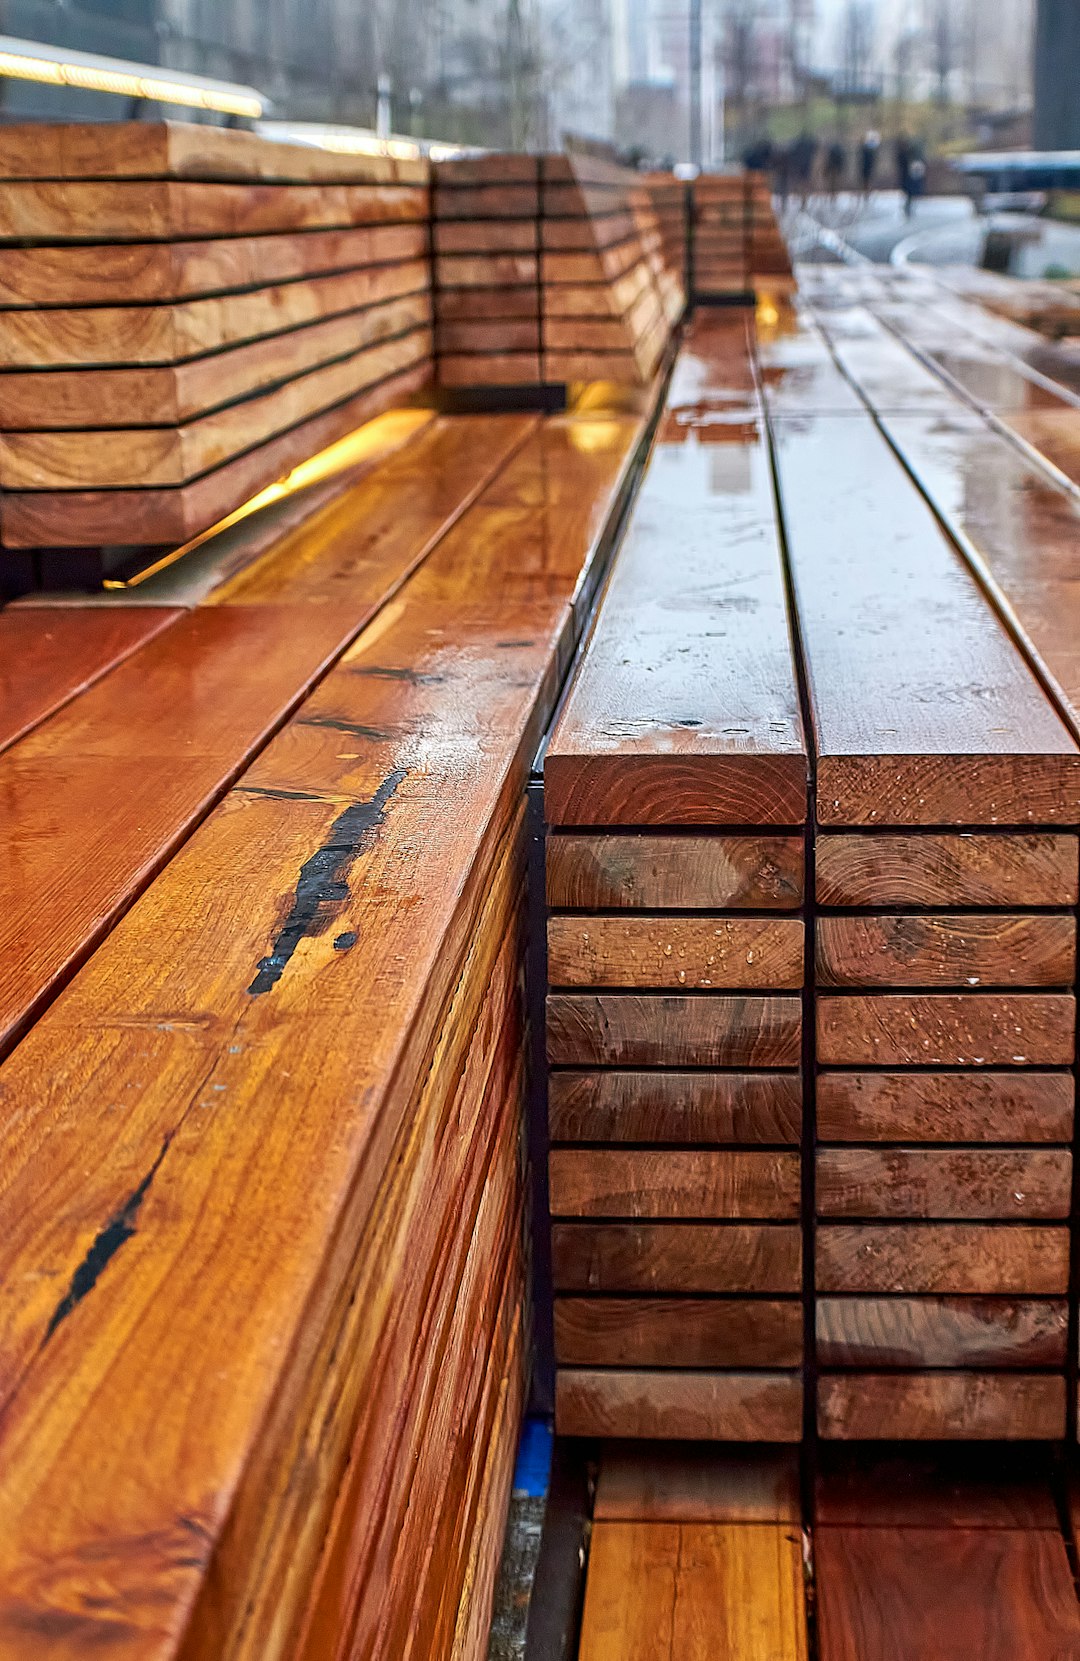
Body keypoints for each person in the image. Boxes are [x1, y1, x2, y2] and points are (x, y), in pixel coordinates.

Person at [859, 128, 880, 194]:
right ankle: (866, 192)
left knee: (868, 181)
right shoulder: (866, 148)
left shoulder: (869, 148)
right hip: (866, 167)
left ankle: (868, 192)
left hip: (868, 167)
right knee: (865, 181)